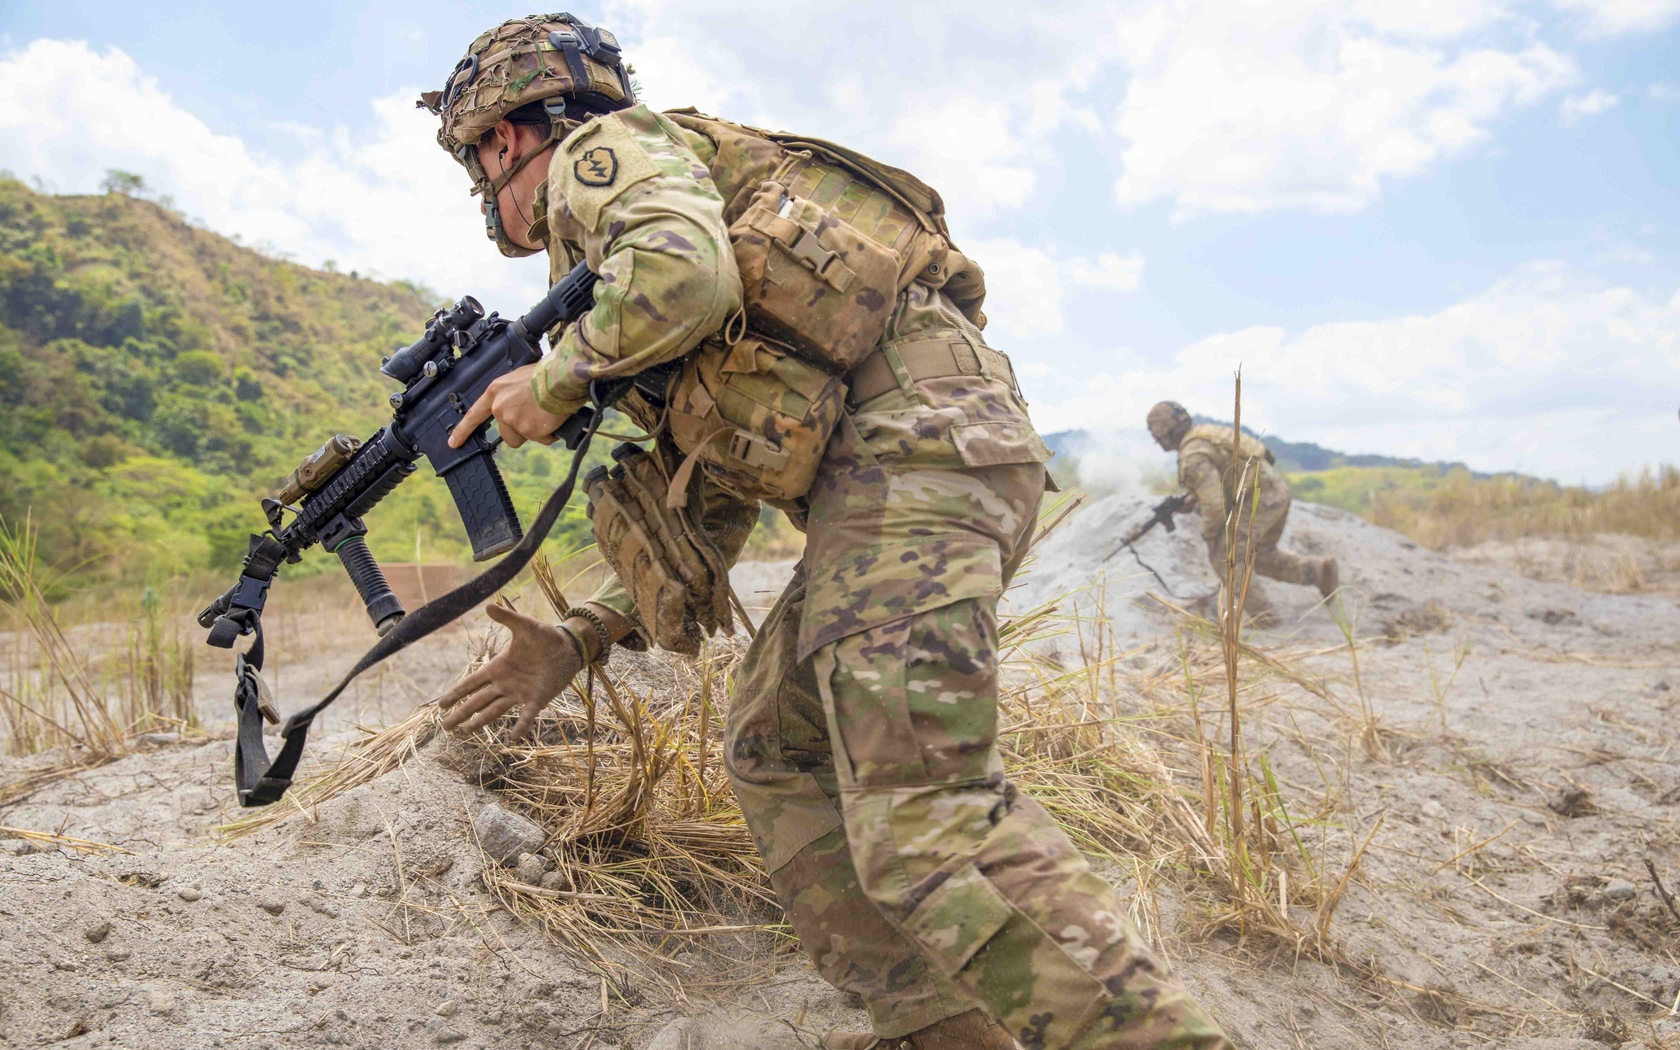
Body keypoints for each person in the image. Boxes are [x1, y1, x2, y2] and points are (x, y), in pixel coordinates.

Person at [426, 15, 1232, 1049]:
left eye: (483, 167)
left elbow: (689, 276)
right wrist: (582, 635)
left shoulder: (601, 158)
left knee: (924, 815)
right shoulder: (629, 256)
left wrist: (554, 377)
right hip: (915, 469)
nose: (492, 198)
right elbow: (703, 501)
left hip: (911, 461)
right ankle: (942, 1027)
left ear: (504, 141)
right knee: (774, 744)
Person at [1145, 401, 1338, 625]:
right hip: (1273, 493)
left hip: (1256, 500)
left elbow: (1215, 507)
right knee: (1259, 555)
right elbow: (1227, 476)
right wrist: (1193, 501)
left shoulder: (1192, 456)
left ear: (1163, 433)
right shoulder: (1205, 435)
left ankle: (1265, 619)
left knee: (1226, 557)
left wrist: (1212, 538)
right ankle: (1318, 572)